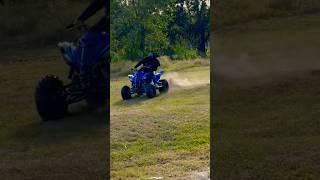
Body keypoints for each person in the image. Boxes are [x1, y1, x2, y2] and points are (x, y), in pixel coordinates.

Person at [68, 0, 110, 88]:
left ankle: (87, 71)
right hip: (106, 22)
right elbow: (95, 5)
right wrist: (81, 19)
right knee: (88, 37)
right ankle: (84, 71)